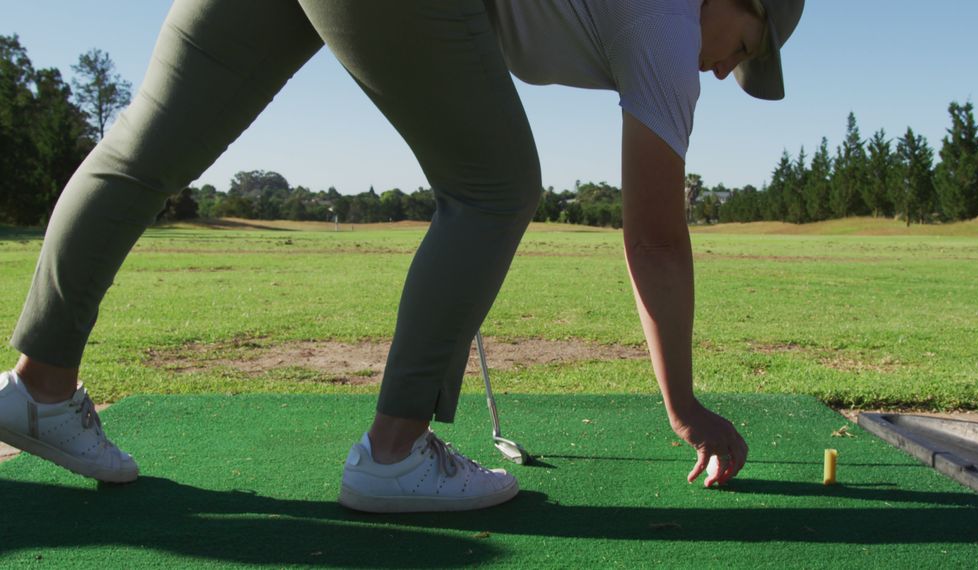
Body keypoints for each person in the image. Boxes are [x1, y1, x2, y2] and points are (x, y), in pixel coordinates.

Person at [0, 0, 802, 513]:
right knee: (498, 186)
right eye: (748, 45)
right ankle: (394, 454)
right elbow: (655, 236)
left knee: (148, 146)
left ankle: (38, 388)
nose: (731, 69)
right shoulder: (666, 22)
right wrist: (685, 404)